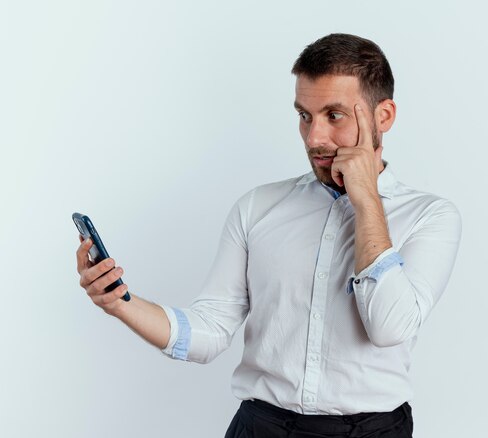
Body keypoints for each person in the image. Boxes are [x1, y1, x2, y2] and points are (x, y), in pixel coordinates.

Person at [76, 33, 462, 438]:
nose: (314, 139)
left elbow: (387, 327)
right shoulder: (258, 208)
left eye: (334, 115)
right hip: (261, 427)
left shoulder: (430, 217)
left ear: (383, 116)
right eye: (304, 115)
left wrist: (365, 199)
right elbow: (207, 332)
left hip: (371, 431)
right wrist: (119, 302)